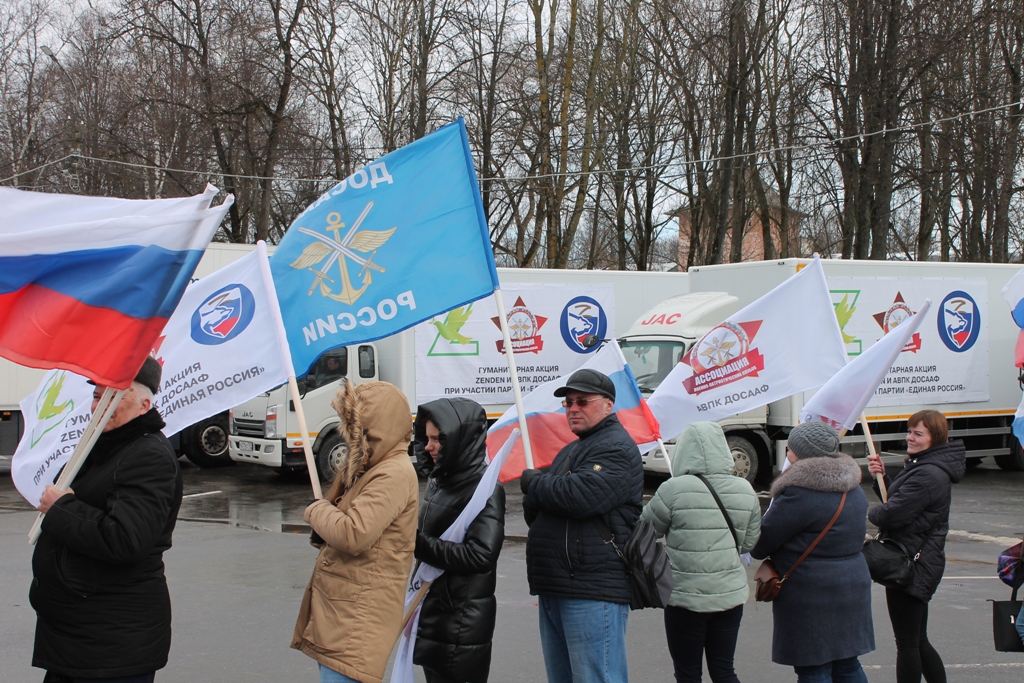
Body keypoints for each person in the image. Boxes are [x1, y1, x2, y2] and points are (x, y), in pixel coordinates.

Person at [30, 356, 182, 683]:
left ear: (144, 405)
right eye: (98, 395)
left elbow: (126, 539)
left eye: (112, 397)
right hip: (79, 637)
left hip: (111, 645)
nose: (99, 405)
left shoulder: (148, 455)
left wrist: (61, 509)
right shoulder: (103, 444)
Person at [519, 368, 643, 683]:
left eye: (582, 401)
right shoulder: (573, 449)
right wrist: (543, 491)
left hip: (591, 589)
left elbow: (580, 497)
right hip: (559, 584)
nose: (573, 409)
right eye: (568, 402)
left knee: (596, 677)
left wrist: (535, 484)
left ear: (607, 404)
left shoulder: (615, 446)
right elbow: (536, 511)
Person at [292, 380, 419, 683]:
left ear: (375, 427)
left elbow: (354, 533)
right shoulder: (376, 466)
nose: (350, 435)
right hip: (345, 616)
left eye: (355, 427)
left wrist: (316, 510)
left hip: (357, 621)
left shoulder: (393, 472)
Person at [751, 421, 874, 683]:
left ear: (801, 453)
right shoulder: (853, 489)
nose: (787, 453)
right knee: (847, 664)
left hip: (811, 591)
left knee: (813, 669)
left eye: (790, 448)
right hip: (852, 585)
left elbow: (761, 543)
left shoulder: (799, 494)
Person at [641, 422, 761, 683]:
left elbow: (647, 531)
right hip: (729, 596)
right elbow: (749, 544)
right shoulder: (744, 489)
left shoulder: (673, 489)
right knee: (724, 670)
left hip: (685, 597)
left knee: (687, 673)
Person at [866, 409, 965, 683]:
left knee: (908, 643)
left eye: (918, 433)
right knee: (917, 640)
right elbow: (904, 505)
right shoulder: (926, 466)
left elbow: (891, 514)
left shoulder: (928, 474)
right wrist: (882, 480)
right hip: (916, 559)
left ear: (936, 438)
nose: (910, 438)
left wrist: (871, 513)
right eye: (910, 431)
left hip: (911, 564)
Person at [411, 398, 505, 683]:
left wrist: (416, 544)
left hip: (461, 623)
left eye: (438, 439)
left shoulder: (484, 488)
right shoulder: (440, 480)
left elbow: (481, 555)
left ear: (460, 440)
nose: (428, 447)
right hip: (434, 611)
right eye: (426, 438)